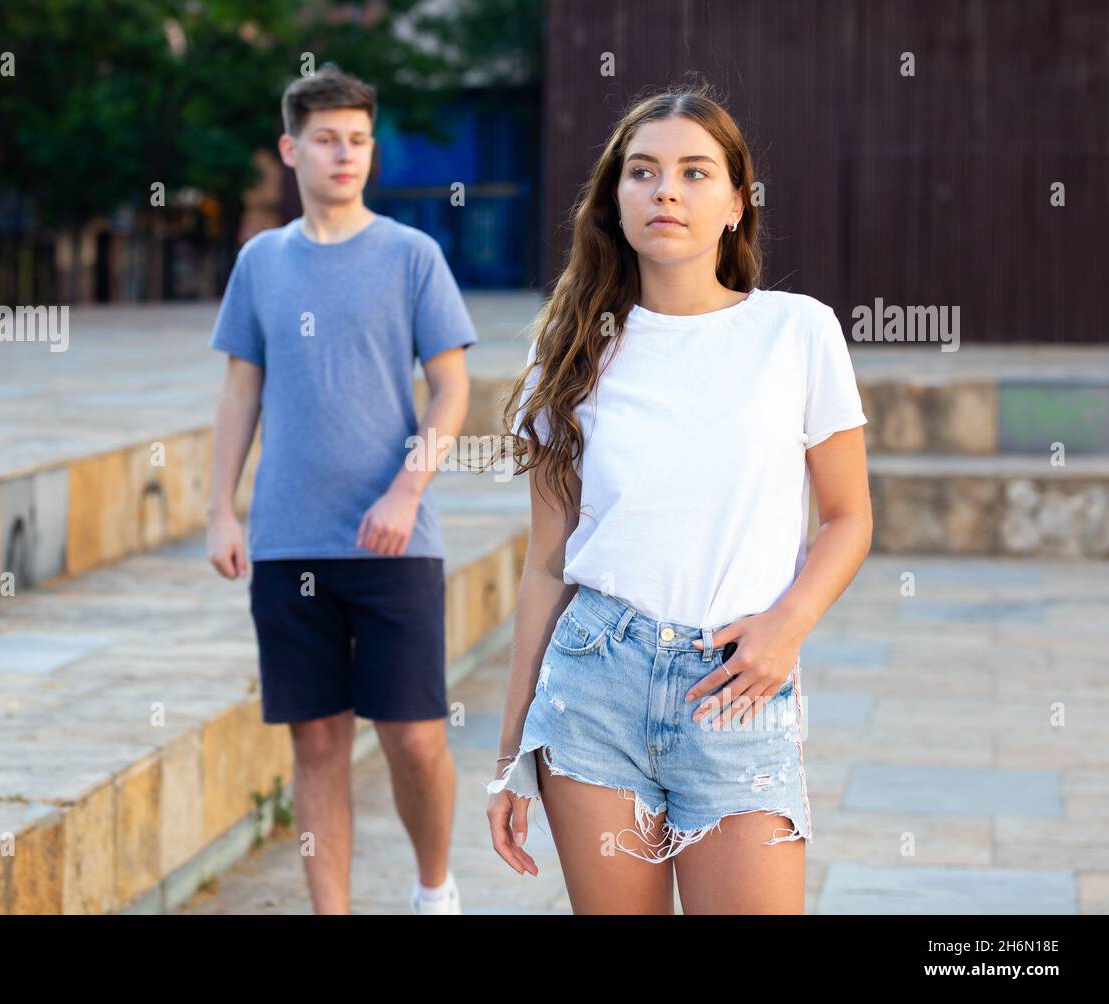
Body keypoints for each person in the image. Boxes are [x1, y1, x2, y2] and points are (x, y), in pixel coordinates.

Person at [484, 80, 872, 914]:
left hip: (736, 687)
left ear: (736, 203)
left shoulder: (796, 332)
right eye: (642, 172)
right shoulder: (573, 354)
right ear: (614, 201)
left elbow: (849, 518)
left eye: (695, 173)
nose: (666, 190)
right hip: (592, 689)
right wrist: (512, 751)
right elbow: (546, 567)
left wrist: (785, 627)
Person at [206, 65, 478, 915]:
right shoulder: (261, 261)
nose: (346, 153)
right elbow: (241, 389)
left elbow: (453, 387)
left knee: (415, 736)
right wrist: (221, 507)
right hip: (290, 541)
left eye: (359, 139)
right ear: (291, 149)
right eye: (327, 139)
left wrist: (406, 489)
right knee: (316, 740)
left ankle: (434, 886)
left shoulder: (411, 256)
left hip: (394, 540)